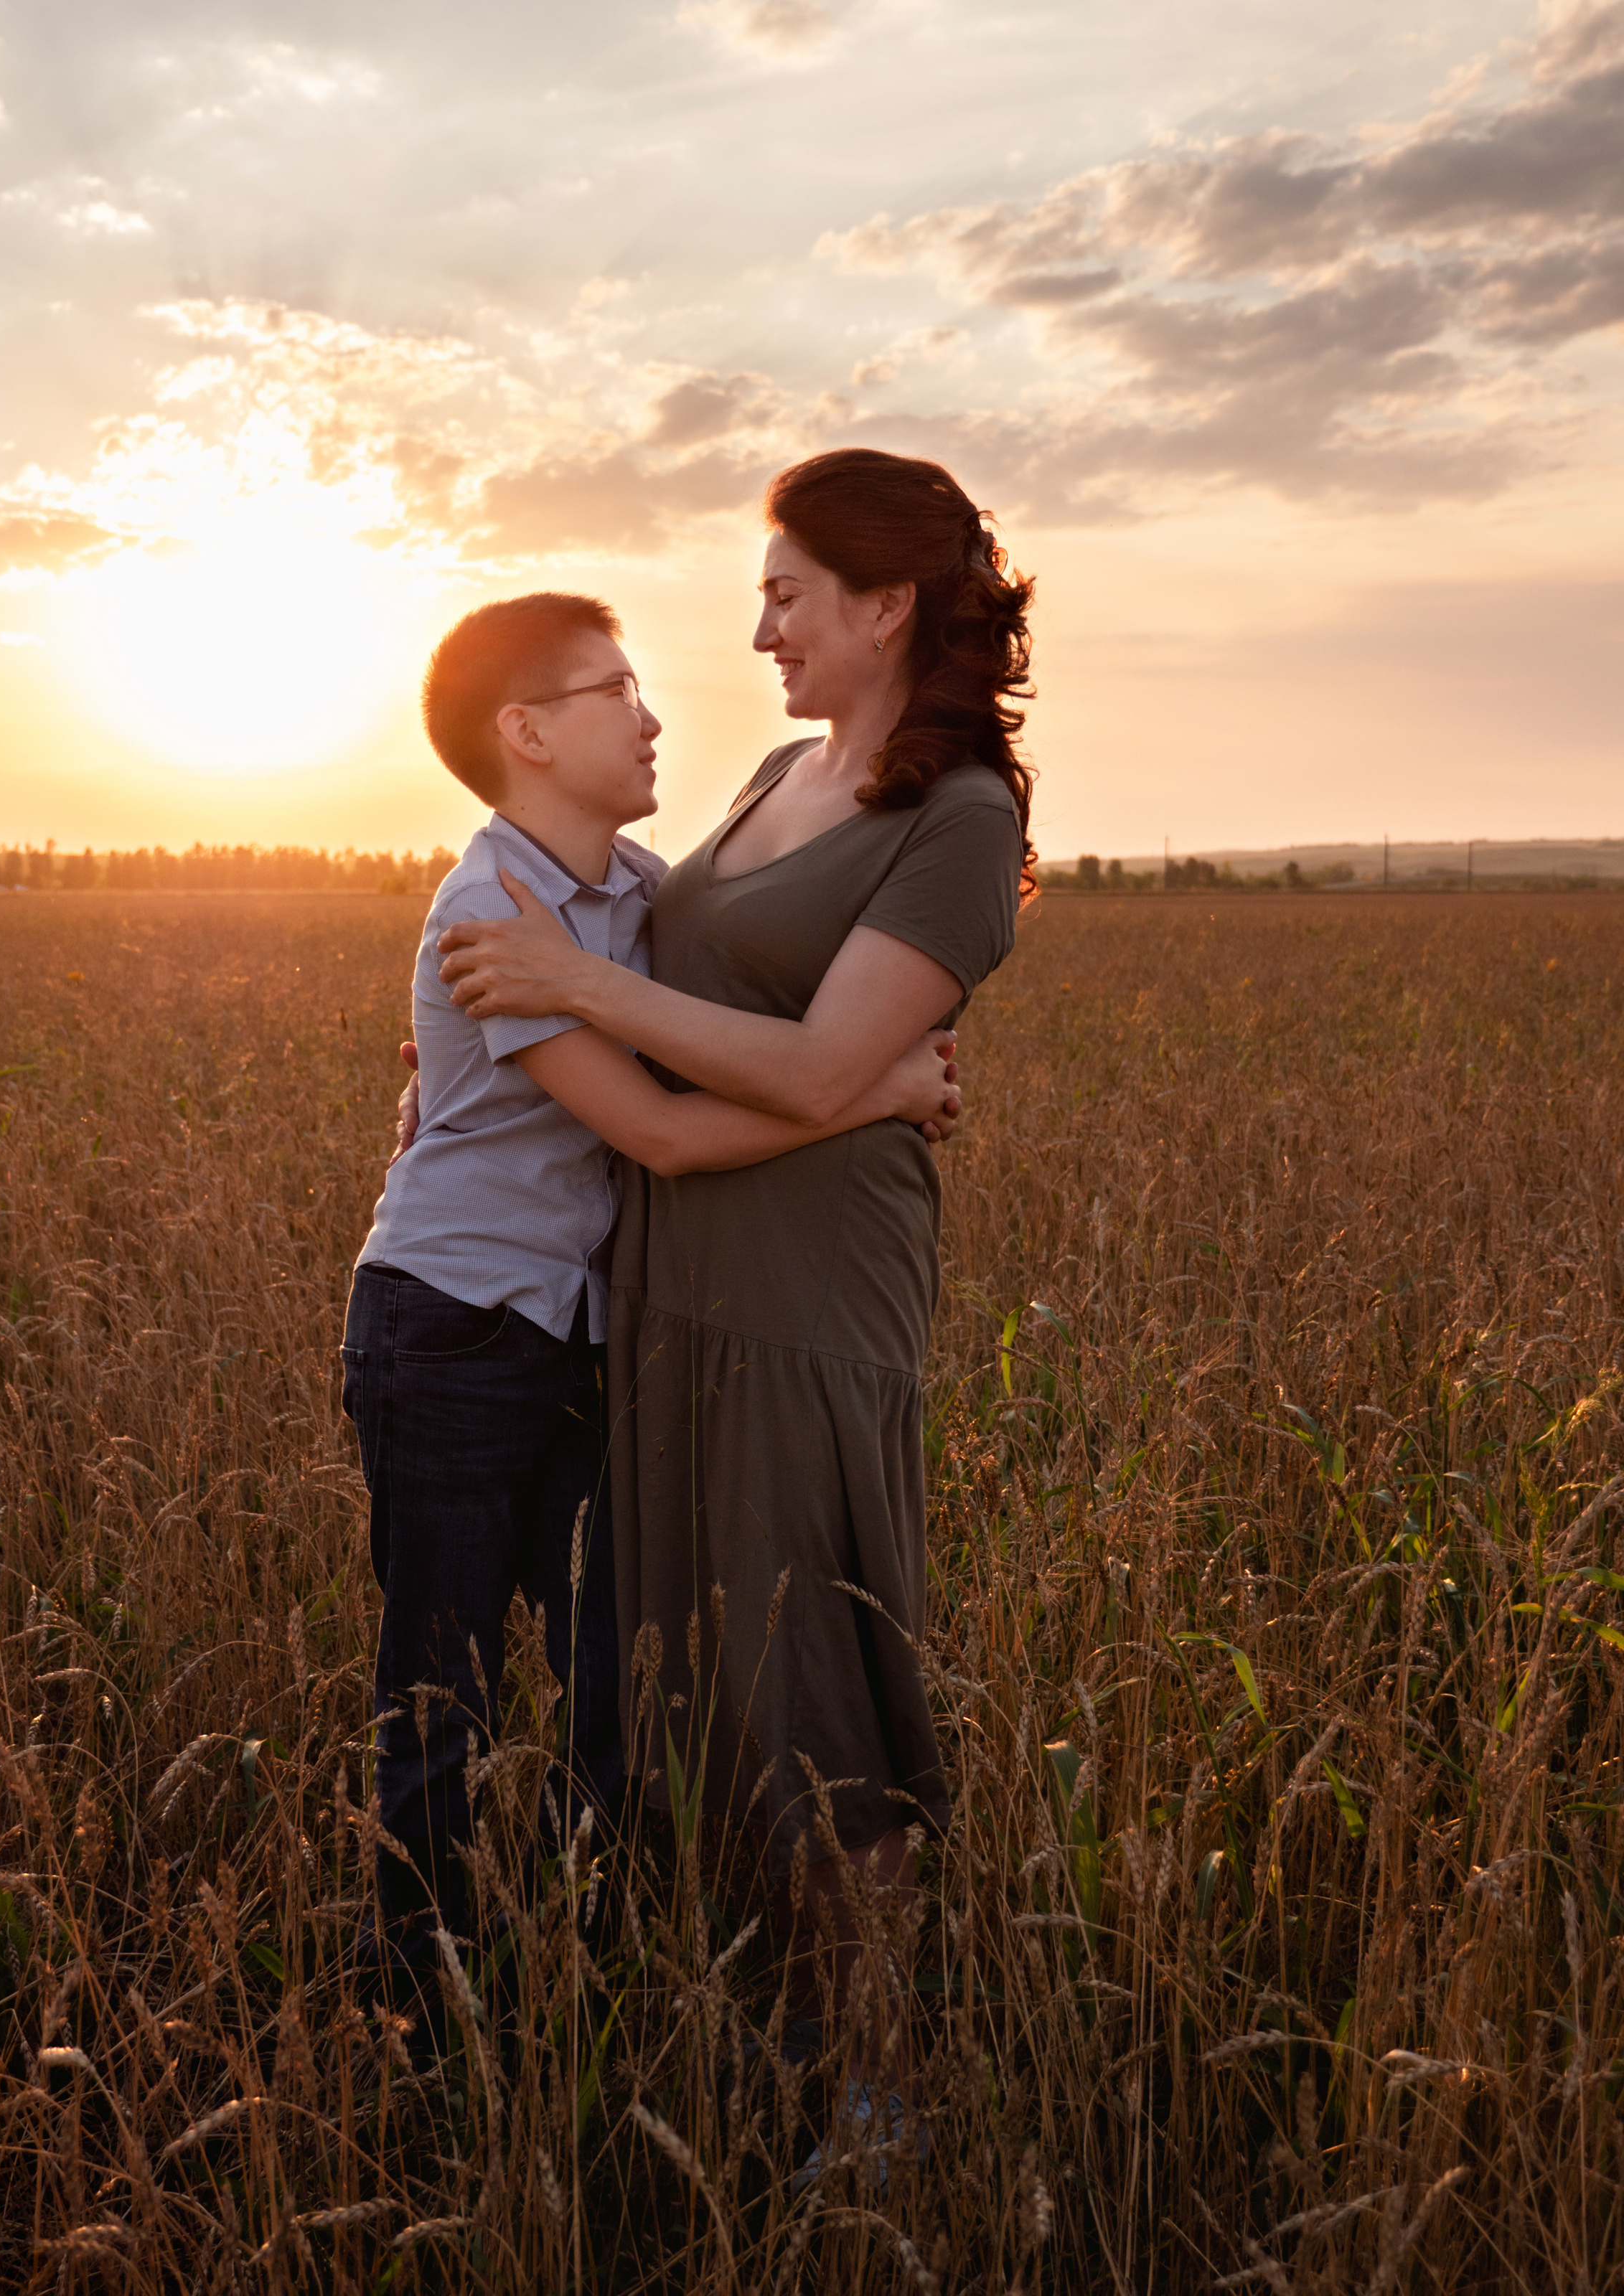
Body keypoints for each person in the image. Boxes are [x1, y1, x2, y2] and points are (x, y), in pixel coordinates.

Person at [436, 451, 1035, 2146]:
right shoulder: (782, 769)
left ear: (883, 603)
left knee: (813, 1674)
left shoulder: (958, 817)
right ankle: (760, 2040)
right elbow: (652, 987)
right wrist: (489, 1055)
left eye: (783, 593)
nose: (757, 627)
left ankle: (879, 2090)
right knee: (694, 1666)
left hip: (803, 1288)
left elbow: (825, 1060)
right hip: (671, 1270)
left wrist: (556, 983)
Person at [343, 588, 962, 2020]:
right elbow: (664, 1132)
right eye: (614, 689)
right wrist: (871, 1090)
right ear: (526, 734)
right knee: (441, 1700)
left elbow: (725, 1041)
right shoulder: (489, 909)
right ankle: (423, 2028)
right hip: (452, 1325)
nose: (652, 714)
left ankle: (584, 1985)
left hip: (586, 1336)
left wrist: (865, 1045)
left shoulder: (636, 891)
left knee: (613, 1683)